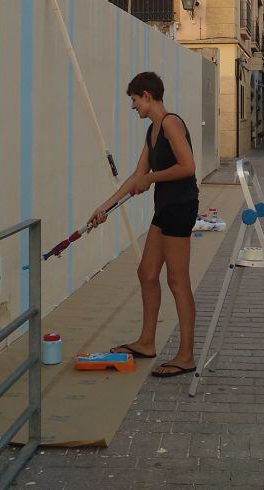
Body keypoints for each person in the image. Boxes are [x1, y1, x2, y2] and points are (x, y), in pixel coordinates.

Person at [88, 71, 199, 378]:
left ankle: (186, 356)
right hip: (164, 207)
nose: (133, 106)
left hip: (180, 207)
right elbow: (137, 177)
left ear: (147, 96)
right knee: (147, 272)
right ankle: (147, 342)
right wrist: (104, 208)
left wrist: (152, 178)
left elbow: (188, 166)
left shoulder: (171, 124)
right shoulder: (151, 132)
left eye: (134, 100)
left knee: (177, 281)